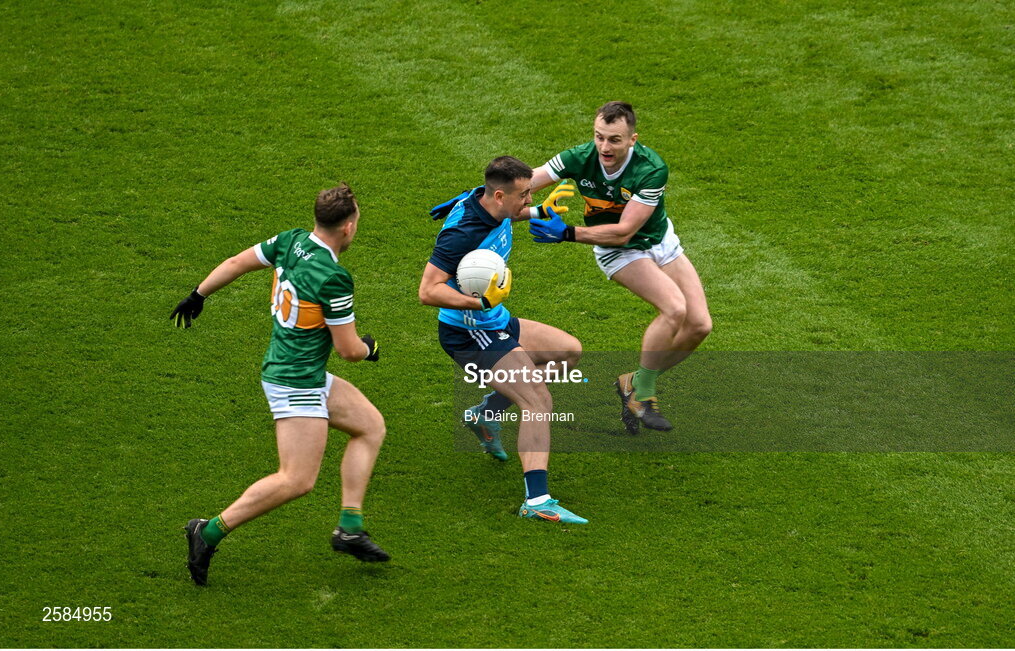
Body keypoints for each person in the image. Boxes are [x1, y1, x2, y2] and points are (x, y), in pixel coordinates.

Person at [170, 183, 389, 586]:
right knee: (296, 479)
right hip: (296, 381)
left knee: (370, 426)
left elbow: (237, 261)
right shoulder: (334, 278)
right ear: (348, 227)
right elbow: (348, 350)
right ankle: (208, 531)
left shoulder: (290, 241)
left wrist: (198, 293)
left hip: (298, 370)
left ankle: (350, 527)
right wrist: (370, 348)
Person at [524, 101, 712, 434]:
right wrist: (476, 202)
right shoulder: (577, 158)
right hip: (618, 252)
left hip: (657, 242)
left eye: (614, 139)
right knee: (674, 309)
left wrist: (566, 233)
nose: (604, 147)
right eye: (599, 137)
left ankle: (632, 382)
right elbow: (523, 184)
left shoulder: (651, 169)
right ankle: (643, 395)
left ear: (632, 140)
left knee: (699, 325)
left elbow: (627, 229)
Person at [419, 156, 588, 524]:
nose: (529, 200)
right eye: (525, 195)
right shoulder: (462, 233)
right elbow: (427, 290)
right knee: (539, 399)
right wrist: (478, 301)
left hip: (493, 320)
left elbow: (507, 213)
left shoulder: (488, 202)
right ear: (498, 195)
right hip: (469, 331)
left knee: (568, 352)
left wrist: (540, 210)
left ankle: (485, 414)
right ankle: (537, 501)